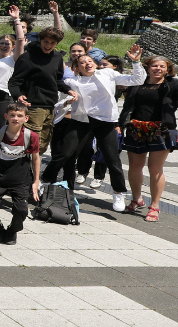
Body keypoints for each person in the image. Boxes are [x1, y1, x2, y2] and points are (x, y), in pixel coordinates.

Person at [54, 47, 145, 212]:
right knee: (66, 153)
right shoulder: (72, 82)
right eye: (82, 63)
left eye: (89, 61)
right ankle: (50, 182)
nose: (87, 64)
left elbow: (136, 80)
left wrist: (136, 62)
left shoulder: (107, 74)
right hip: (82, 121)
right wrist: (68, 100)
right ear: (76, 68)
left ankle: (118, 193)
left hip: (105, 121)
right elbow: (58, 102)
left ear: (95, 63)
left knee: (112, 158)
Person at [121, 54, 178, 222]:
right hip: (136, 128)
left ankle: (155, 206)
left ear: (167, 69)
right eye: (154, 66)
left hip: (161, 130)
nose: (158, 69)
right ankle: (136, 199)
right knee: (135, 166)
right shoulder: (137, 81)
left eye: (162, 66)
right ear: (148, 68)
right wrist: (121, 124)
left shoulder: (173, 84)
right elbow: (128, 105)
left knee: (155, 169)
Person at [0, 102, 40, 245]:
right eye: (12, 115)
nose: (16, 118)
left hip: (20, 180)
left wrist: (36, 181)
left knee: (21, 210)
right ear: (6, 116)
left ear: (26, 118)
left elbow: (36, 159)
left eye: (20, 116)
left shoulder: (31, 136)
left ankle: (12, 231)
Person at [7, 26, 68, 152]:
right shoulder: (27, 58)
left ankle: (34, 169)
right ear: (40, 40)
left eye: (52, 43)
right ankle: (24, 170)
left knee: (43, 145)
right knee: (31, 145)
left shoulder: (57, 57)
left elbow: (57, 80)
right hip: (32, 106)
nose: (48, 45)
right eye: (46, 41)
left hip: (50, 105)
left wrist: (68, 90)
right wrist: (18, 95)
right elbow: (14, 82)